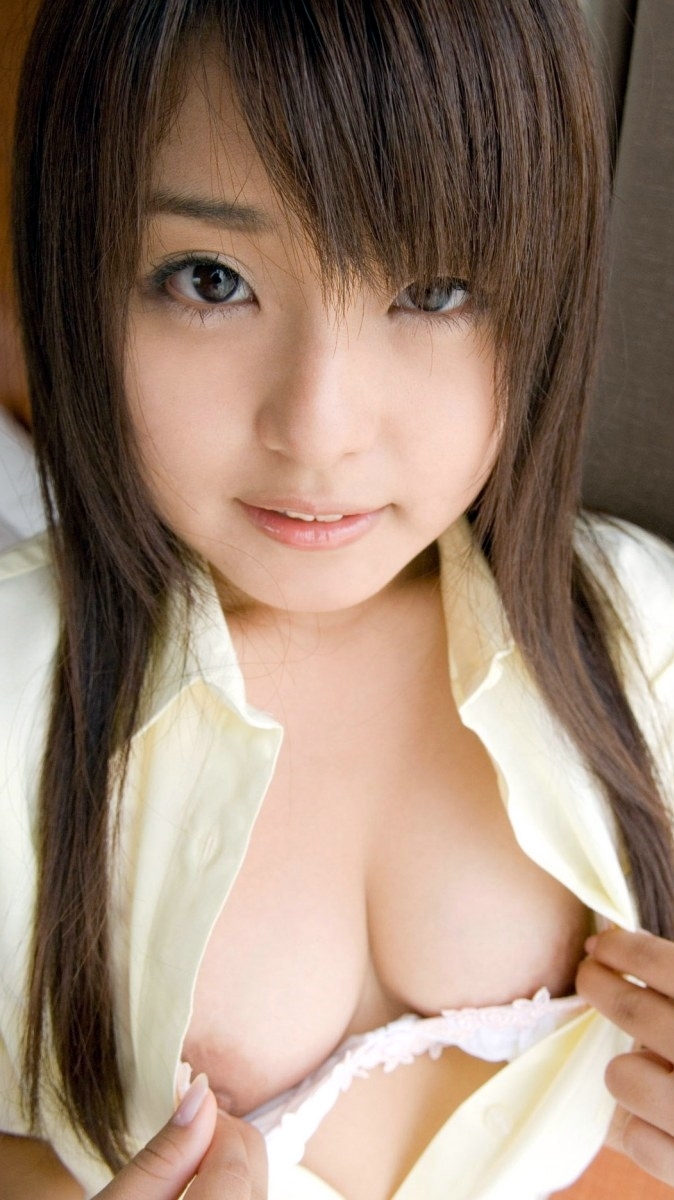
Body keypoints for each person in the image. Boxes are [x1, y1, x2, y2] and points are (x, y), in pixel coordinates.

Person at [1, 1, 674, 1197]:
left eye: (433, 290)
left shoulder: (637, 633)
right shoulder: (18, 688)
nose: (317, 428)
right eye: (210, 280)